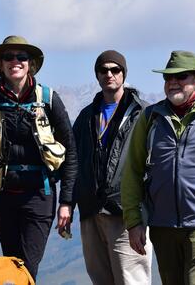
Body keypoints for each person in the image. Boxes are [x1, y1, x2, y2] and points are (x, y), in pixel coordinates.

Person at [0, 36, 77, 280]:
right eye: (8, 57)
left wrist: (67, 201)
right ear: (0, 64)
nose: (14, 61)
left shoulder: (49, 100)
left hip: (40, 194)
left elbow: (70, 151)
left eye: (21, 57)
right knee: (11, 264)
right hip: (2, 196)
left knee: (28, 265)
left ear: (30, 64)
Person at [122, 50, 195, 285]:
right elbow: (133, 171)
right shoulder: (151, 117)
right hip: (162, 227)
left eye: (181, 76)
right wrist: (133, 222)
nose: (173, 82)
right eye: (168, 78)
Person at [72, 50, 151, 284]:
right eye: (103, 70)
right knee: (100, 279)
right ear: (96, 75)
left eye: (115, 69)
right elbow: (73, 161)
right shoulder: (86, 116)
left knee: (131, 279)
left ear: (123, 74)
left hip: (127, 213)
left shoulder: (143, 114)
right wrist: (70, 201)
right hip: (91, 212)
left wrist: (142, 210)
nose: (109, 74)